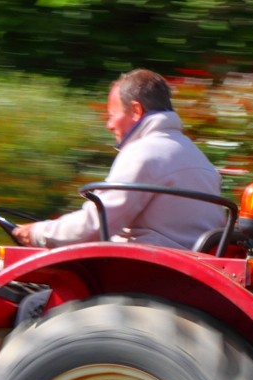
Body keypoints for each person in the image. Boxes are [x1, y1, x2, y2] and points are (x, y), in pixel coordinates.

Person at [12, 69, 224, 250]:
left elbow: (97, 225)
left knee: (35, 300)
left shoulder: (143, 153)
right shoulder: (196, 155)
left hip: (149, 268)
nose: (109, 125)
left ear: (136, 110)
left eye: (112, 115)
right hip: (189, 262)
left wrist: (38, 232)